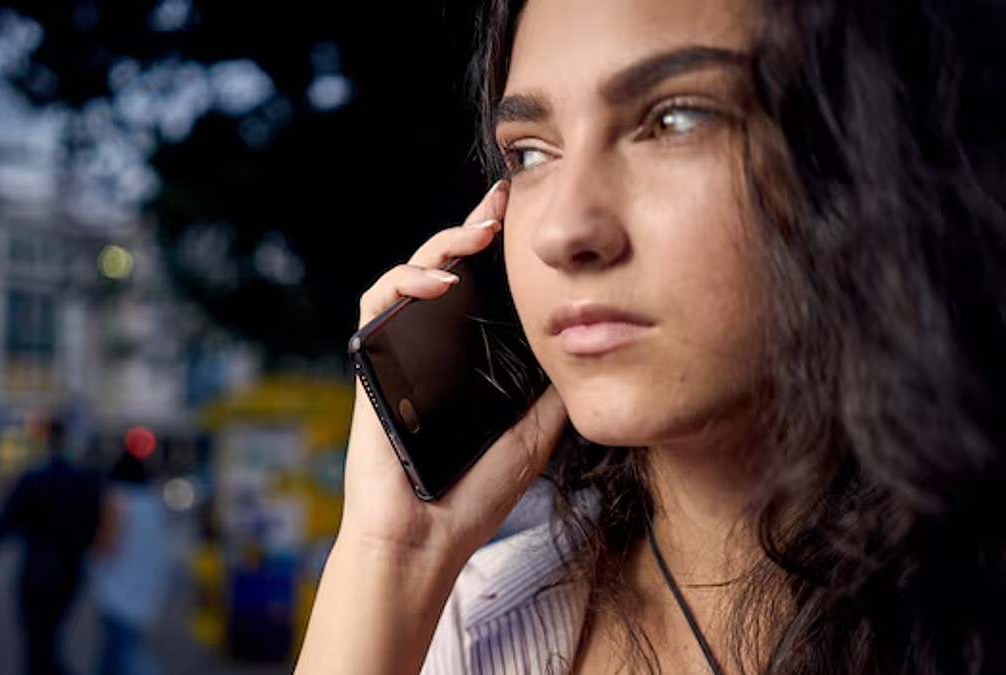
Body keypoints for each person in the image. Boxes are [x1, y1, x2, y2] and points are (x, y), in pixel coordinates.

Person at [295, 0, 1006, 673]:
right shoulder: (464, 625)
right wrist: (392, 557)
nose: (564, 232)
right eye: (533, 154)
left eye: (673, 120)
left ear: (864, 155)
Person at [0, 420, 102, 675]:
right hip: (68, 574)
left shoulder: (33, 479)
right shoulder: (83, 481)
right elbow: (96, 533)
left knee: (37, 642)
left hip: (36, 573)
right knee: (45, 640)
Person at [90, 449, 172, 675]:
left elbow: (106, 546)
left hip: (117, 590)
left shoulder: (118, 500)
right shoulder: (154, 503)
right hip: (147, 589)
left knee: (124, 656)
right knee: (119, 654)